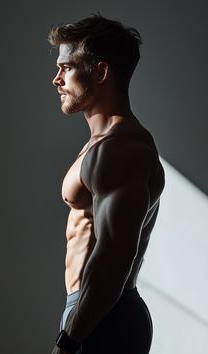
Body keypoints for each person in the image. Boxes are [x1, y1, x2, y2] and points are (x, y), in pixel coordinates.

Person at [48, 14, 165, 354]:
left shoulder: (121, 148)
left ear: (100, 72)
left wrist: (69, 340)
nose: (56, 79)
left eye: (67, 68)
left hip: (102, 317)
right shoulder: (101, 145)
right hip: (89, 312)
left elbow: (112, 258)